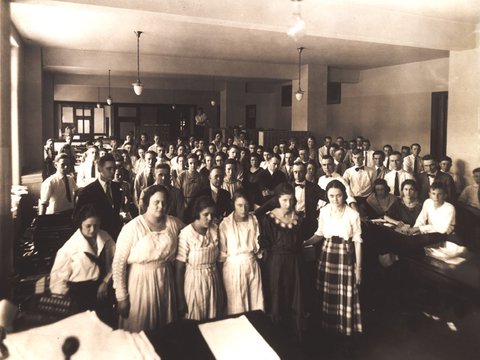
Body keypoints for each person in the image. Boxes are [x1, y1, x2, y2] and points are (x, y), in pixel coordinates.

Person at [113, 185, 184, 332]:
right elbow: (119, 263)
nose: (161, 206)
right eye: (156, 202)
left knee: (165, 331)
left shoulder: (173, 223)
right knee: (141, 326)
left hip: (165, 281)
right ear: (147, 203)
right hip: (140, 283)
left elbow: (191, 233)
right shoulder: (133, 228)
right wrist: (121, 296)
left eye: (164, 203)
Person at [305, 180, 363, 336]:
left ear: (344, 195)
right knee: (328, 291)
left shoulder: (353, 214)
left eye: (338, 196)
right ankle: (327, 328)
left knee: (344, 293)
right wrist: (304, 243)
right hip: (327, 254)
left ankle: (344, 328)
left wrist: (359, 269)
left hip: (346, 255)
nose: (335, 199)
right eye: (331, 196)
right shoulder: (324, 211)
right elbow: (319, 234)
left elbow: (357, 242)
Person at [50, 204, 115, 317]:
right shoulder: (70, 248)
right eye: (88, 226)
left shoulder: (106, 237)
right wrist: (62, 304)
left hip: (103, 290)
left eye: (96, 225)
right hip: (80, 295)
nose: (93, 230)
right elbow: (58, 280)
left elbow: (116, 261)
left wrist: (106, 282)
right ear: (81, 224)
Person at [260, 183, 304, 340]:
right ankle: (277, 338)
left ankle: (295, 337)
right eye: (285, 200)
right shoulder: (269, 218)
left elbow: (299, 243)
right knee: (277, 296)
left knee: (294, 296)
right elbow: (265, 242)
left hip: (294, 263)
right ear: (278, 200)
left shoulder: (298, 218)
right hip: (276, 263)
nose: (289, 204)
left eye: (291, 200)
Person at [175, 196, 224, 321]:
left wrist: (222, 289)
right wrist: (180, 299)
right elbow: (179, 268)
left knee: (213, 320)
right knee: (195, 320)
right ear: (197, 213)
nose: (210, 218)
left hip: (213, 281)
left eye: (212, 215)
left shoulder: (214, 230)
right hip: (194, 283)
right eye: (205, 214)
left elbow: (219, 262)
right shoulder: (186, 234)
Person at [219, 189, 264, 315]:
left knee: (255, 303)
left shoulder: (253, 220)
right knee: (237, 306)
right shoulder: (225, 224)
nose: (243, 209)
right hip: (233, 268)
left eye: (246, 205)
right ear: (233, 205)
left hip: (252, 265)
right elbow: (222, 253)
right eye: (239, 205)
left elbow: (258, 245)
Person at [75, 153, 124, 240]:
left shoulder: (117, 188)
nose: (113, 172)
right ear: (99, 169)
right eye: (109, 169)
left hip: (115, 236)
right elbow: (78, 218)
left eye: (114, 168)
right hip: (96, 236)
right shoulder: (87, 192)